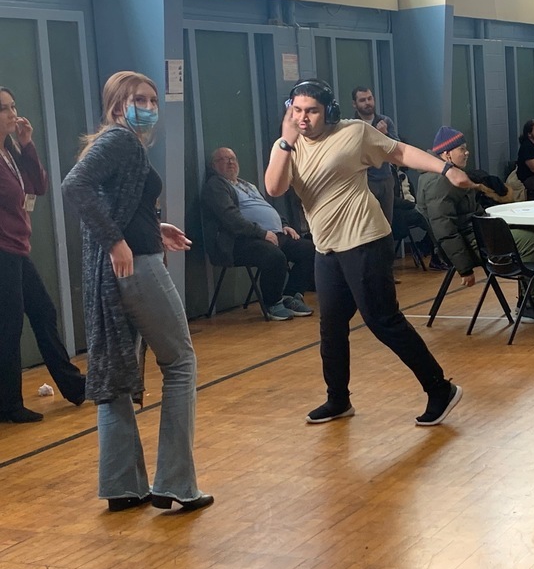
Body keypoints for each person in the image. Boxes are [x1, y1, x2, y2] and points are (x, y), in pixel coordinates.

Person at [265, 78, 472, 426]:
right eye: (297, 110)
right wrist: (286, 142)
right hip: (327, 247)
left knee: (382, 321)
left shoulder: (353, 133)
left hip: (364, 239)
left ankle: (440, 389)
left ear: (328, 112)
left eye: (311, 111)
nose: (303, 118)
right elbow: (275, 187)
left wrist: (447, 168)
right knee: (331, 327)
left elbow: (399, 152)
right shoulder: (286, 146)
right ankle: (338, 400)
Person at [62, 71, 213, 512]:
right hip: (137, 268)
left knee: (116, 372)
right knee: (180, 363)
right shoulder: (121, 140)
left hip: (123, 266)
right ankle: (176, 483)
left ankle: (123, 485)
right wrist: (117, 241)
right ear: (116, 105)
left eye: (152, 100)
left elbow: (118, 202)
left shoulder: (119, 143)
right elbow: (75, 185)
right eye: (138, 99)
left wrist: (154, 226)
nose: (147, 107)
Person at [0, 86, 86, 423]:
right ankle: (9, 404)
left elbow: (37, 186)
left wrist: (27, 144)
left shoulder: (10, 152)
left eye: (13, 106)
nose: (12, 114)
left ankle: (75, 387)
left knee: (43, 312)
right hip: (3, 251)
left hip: (17, 249)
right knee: (9, 326)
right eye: (4, 109)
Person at [417, 126, 534, 324]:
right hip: (469, 245)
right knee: (529, 239)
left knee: (527, 232)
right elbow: (445, 230)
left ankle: (529, 299)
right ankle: (530, 305)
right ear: (446, 154)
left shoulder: (447, 175)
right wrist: (464, 268)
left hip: (474, 236)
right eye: (462, 149)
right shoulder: (440, 182)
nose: (467, 152)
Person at [202, 146, 315, 320]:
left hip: (270, 235)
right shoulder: (216, 185)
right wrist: (261, 233)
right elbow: (230, 218)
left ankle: (290, 296)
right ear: (213, 166)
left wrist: (284, 225)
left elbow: (265, 207)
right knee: (273, 255)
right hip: (238, 242)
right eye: (223, 159)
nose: (230, 162)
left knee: (309, 250)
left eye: (232, 158)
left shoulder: (247, 185)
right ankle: (273, 303)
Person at [352, 86, 399, 223]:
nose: (367, 103)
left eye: (370, 98)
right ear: (354, 104)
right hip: (365, 180)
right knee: (368, 223)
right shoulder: (352, 126)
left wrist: (385, 135)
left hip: (385, 178)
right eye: (362, 100)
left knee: (387, 222)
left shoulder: (385, 121)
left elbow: (397, 148)